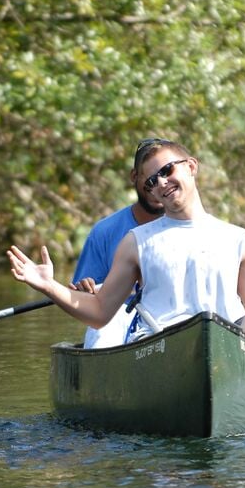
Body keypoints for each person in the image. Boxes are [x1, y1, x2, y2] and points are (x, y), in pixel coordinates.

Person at [8, 139, 245, 343]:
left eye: (168, 170)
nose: (161, 183)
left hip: (227, 348)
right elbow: (100, 313)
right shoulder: (135, 241)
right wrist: (50, 286)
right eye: (151, 181)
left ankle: (235, 401)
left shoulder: (237, 239)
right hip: (161, 347)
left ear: (191, 167)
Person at [69, 139, 166, 348]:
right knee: (105, 326)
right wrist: (84, 292)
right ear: (134, 177)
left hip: (169, 316)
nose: (158, 185)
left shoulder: (190, 229)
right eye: (150, 178)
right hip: (118, 318)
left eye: (165, 175)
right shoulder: (104, 231)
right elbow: (84, 304)